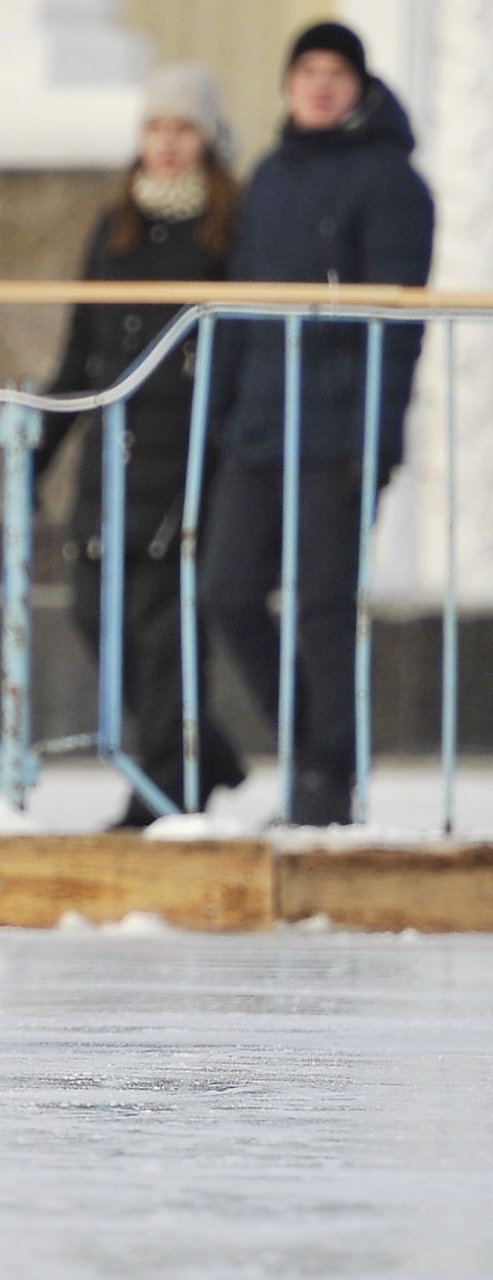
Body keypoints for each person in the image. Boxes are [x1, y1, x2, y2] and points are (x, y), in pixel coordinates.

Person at [199, 22, 435, 827]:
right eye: (308, 70)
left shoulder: (393, 181)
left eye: (337, 71)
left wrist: (376, 438)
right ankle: (313, 750)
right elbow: (238, 309)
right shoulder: (267, 175)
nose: (321, 85)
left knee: (323, 608)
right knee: (227, 592)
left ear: (359, 86)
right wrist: (223, 418)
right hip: (259, 428)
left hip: (338, 433)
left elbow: (398, 329)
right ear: (289, 84)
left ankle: (327, 786)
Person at [36, 63, 248, 828]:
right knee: (97, 613)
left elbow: (241, 351)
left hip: (187, 455)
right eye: (155, 127)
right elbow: (76, 354)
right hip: (110, 457)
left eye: (182, 127)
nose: (166, 143)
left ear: (208, 139)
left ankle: (165, 785)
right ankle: (202, 750)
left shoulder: (229, 227)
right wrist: (40, 449)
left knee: (162, 628)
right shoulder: (114, 224)